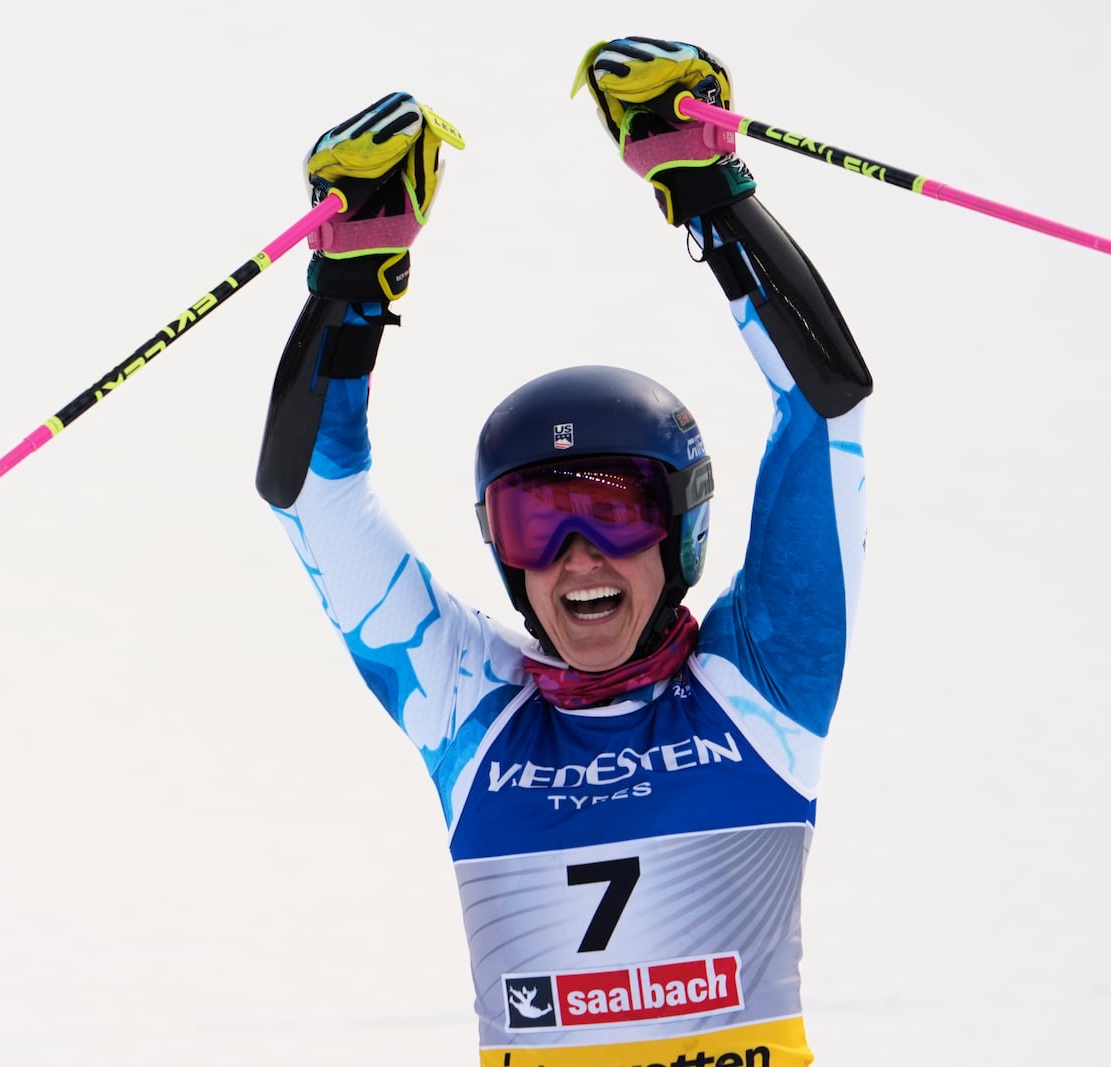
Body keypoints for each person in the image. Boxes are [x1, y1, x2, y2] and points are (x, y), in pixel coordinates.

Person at [256, 37, 872, 1067]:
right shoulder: (472, 706)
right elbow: (313, 494)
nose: (578, 559)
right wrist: (348, 287)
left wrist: (711, 192)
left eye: (615, 514)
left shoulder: (761, 681)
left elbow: (822, 406)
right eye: (538, 526)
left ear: (679, 530)